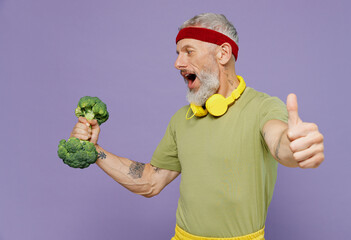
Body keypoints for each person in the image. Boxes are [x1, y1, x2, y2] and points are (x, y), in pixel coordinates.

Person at [70, 13, 324, 240]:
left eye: (188, 51)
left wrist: (296, 147)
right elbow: (149, 182)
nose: (178, 63)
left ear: (223, 53)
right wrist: (95, 151)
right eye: (178, 53)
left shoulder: (263, 107)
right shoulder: (182, 119)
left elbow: (279, 142)